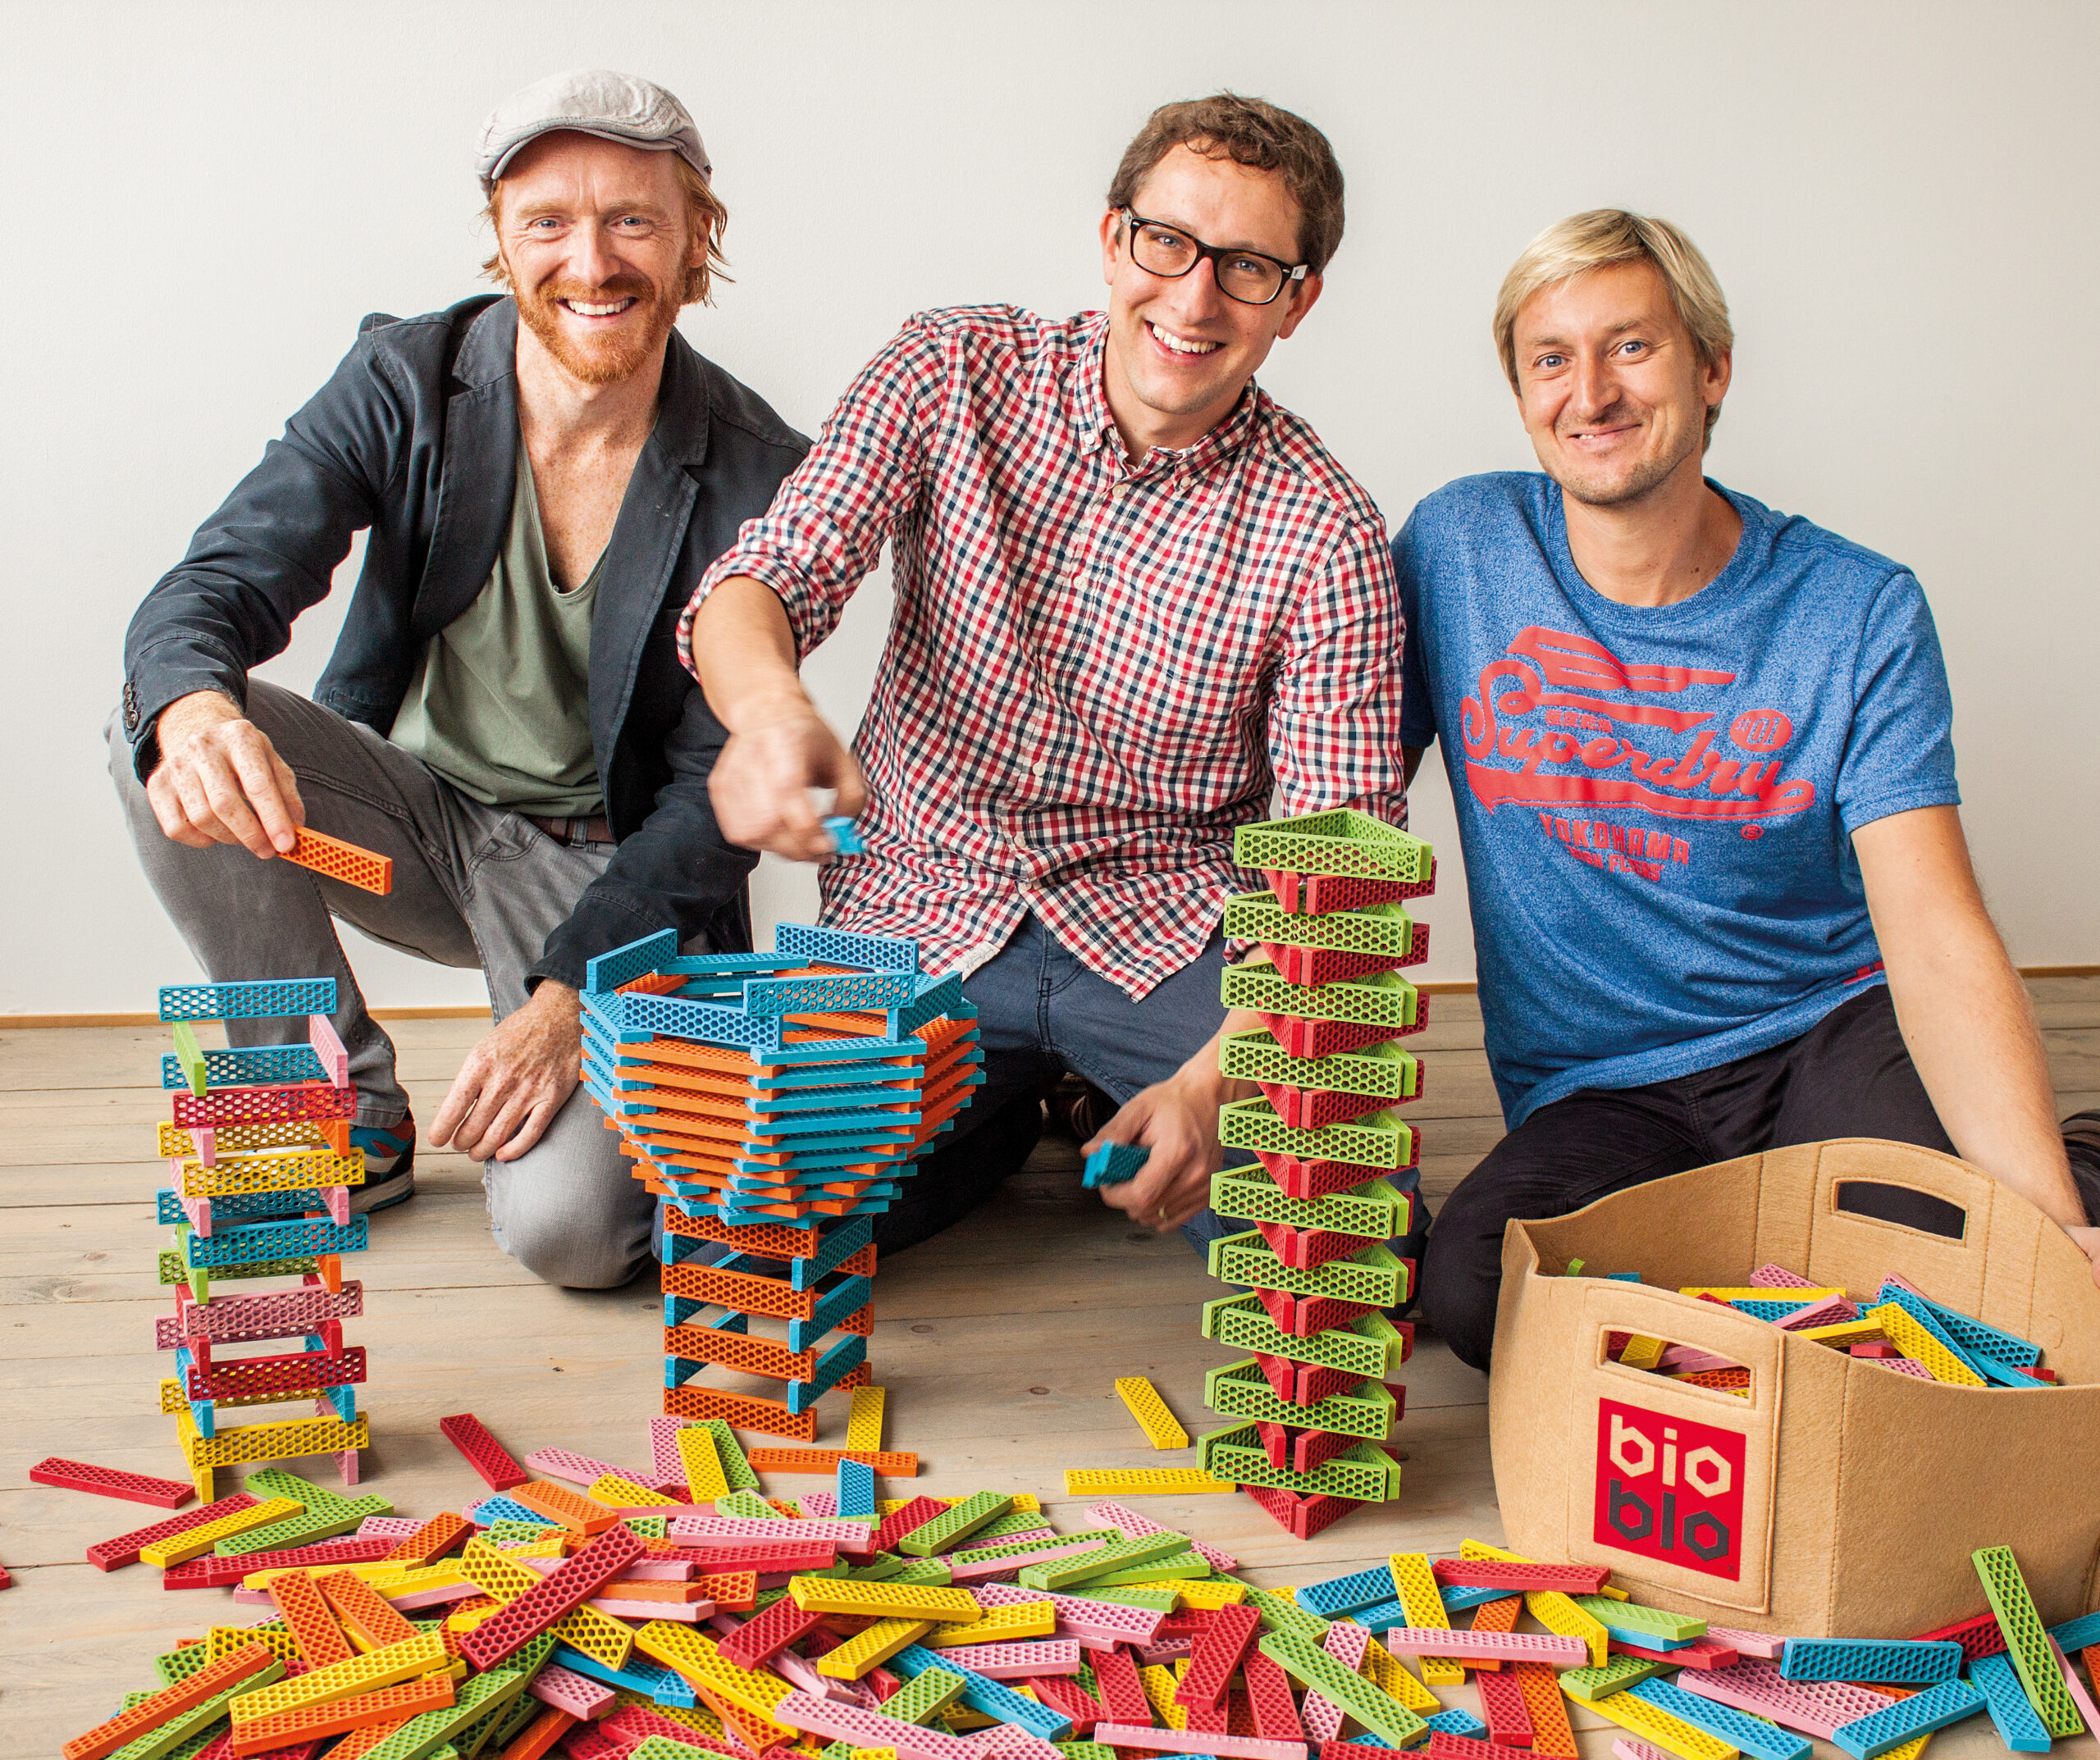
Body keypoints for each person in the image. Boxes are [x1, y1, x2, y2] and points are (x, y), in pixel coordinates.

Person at [679, 93, 1410, 1254]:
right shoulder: (949, 369)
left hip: (1168, 929)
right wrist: (770, 711)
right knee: (741, 1220)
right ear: (1114, 237)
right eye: (1166, 242)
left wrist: (1213, 1091)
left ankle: (1074, 1087)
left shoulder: (1327, 531)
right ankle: (1013, 1101)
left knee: (1348, 1242)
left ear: (1299, 301)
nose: (1193, 297)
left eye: (1250, 268)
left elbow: (1339, 874)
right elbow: (762, 582)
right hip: (922, 905)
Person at [110, 70, 806, 1288]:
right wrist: (195, 706)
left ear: (701, 239)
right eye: (548, 222)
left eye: (633, 220)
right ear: (500, 238)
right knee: (161, 722)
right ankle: (338, 1116)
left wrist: (565, 1003)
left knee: (575, 1234)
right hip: (408, 832)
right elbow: (213, 583)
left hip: (606, 873)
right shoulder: (406, 380)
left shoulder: (762, 474)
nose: (591, 263)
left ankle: (579, 1075)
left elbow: (711, 798)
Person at [1394, 209, 2100, 1370]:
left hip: (1823, 1030)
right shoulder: (1461, 550)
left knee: (1956, 1293)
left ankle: (2071, 1159)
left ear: (1712, 368)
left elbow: (1930, 925)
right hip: (1601, 1084)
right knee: (1475, 1297)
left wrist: (2048, 1222)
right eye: (1552, 359)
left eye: (1633, 346)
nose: (1592, 393)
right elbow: (1343, 788)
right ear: (1522, 396)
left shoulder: (1858, 607)